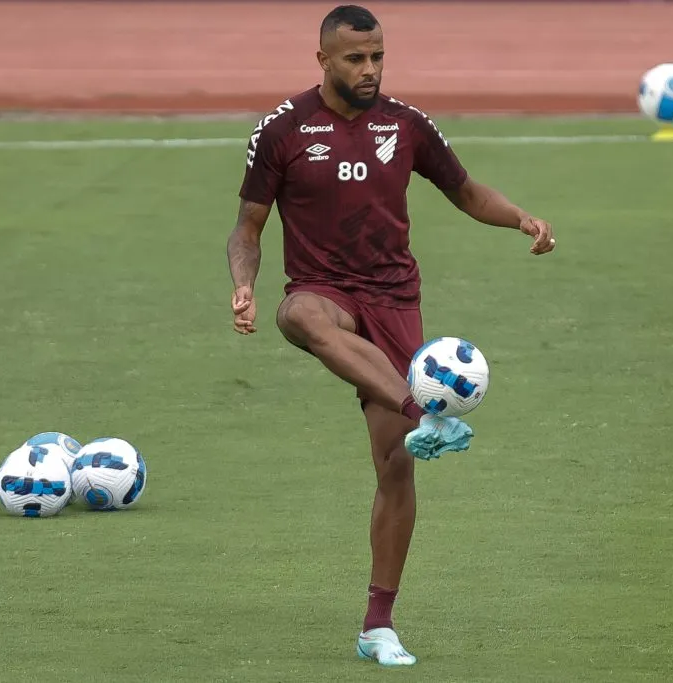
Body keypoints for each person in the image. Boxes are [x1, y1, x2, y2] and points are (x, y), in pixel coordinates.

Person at [225, 4, 555, 667]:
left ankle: (378, 624)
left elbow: (464, 192)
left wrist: (521, 218)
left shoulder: (407, 126)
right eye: (355, 58)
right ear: (323, 60)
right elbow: (249, 227)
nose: (369, 69)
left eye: (377, 56)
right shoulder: (283, 131)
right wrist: (243, 283)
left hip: (393, 300)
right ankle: (421, 407)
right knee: (305, 319)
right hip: (323, 290)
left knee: (396, 464)